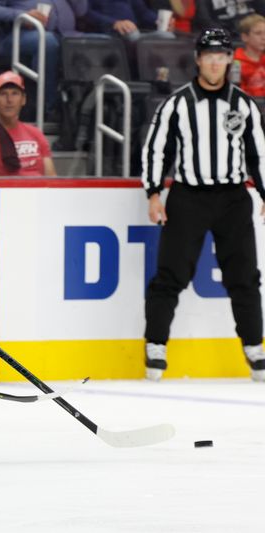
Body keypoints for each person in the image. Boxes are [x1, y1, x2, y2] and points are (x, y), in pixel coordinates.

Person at [141, 29, 265, 382]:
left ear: (230, 60)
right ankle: (156, 345)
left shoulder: (244, 105)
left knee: (244, 277)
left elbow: (258, 153)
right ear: (198, 59)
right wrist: (152, 193)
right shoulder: (176, 104)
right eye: (208, 55)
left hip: (232, 198)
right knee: (170, 275)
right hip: (188, 197)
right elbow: (156, 150)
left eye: (221, 55)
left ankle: (254, 347)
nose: (214, 62)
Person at [0, 0, 65, 119]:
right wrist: (23, 15)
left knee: (86, 45)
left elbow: (82, 11)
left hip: (58, 33)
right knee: (48, 42)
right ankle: (48, 107)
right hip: (15, 34)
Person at [0, 71, 56, 176]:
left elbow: (51, 179)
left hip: (41, 191)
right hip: (7, 192)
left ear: (23, 100)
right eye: (3, 94)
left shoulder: (35, 133)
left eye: (15, 93)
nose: (9, 100)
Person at [84, 0, 175, 41]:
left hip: (134, 31)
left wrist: (159, 21)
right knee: (133, 35)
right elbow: (84, 14)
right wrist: (114, 23)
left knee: (167, 36)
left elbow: (142, 12)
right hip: (109, 31)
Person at [193, 0, 265, 36]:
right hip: (224, 34)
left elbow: (262, 11)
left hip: (254, 31)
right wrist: (224, 33)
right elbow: (204, 19)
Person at [234, 14, 265, 97]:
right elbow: (236, 93)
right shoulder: (235, 64)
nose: (263, 37)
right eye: (258, 33)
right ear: (244, 37)